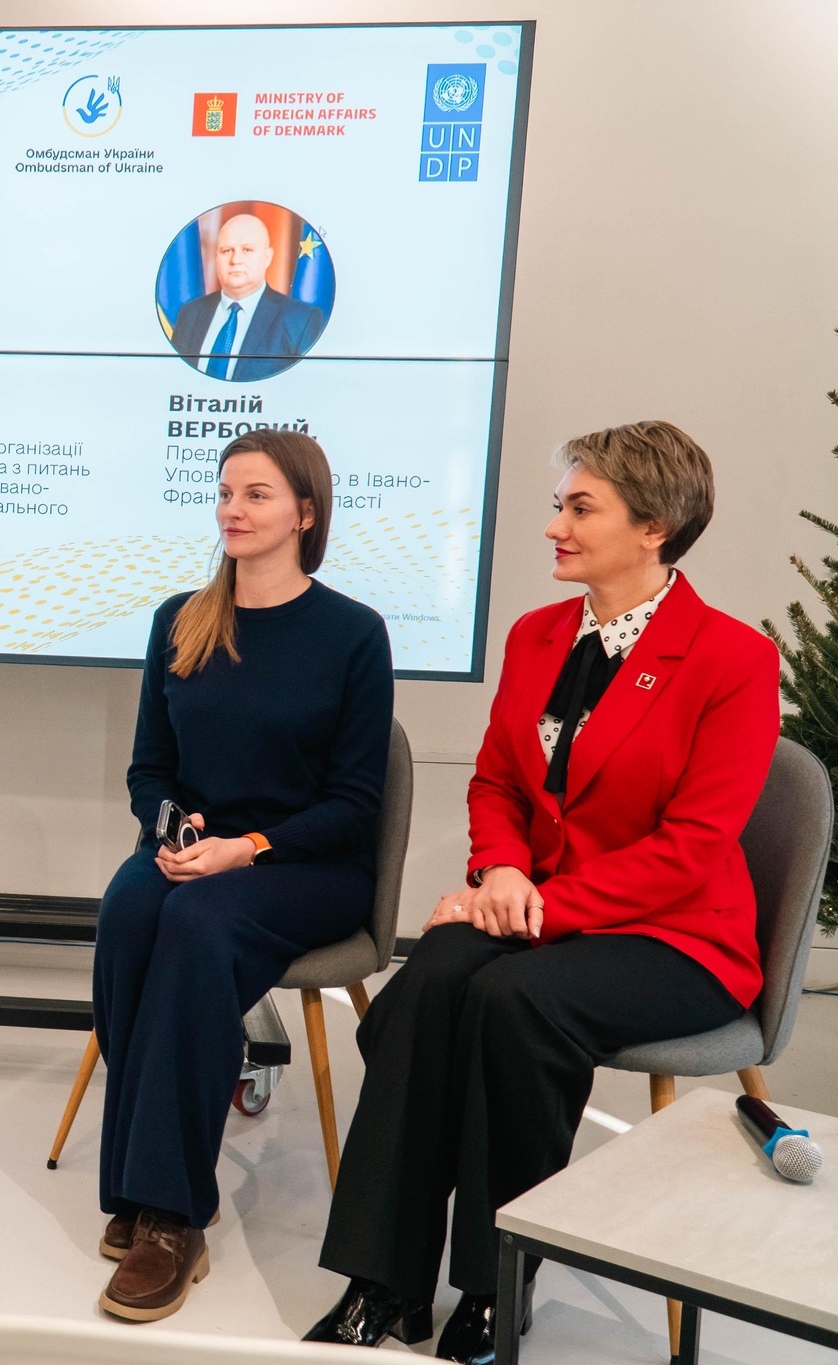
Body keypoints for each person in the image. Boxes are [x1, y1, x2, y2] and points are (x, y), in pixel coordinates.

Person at [306, 421, 777, 1362]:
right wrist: (502, 871)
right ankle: (382, 1279)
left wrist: (537, 907)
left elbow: (694, 847)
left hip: (678, 935)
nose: (554, 525)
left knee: (513, 1001)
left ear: (654, 526)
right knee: (429, 984)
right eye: (558, 504)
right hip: (536, 904)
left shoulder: (732, 659)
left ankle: (496, 1283)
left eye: (580, 507)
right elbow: (496, 783)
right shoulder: (537, 635)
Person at [93, 430, 393, 1322]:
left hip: (306, 863)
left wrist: (246, 846)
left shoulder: (353, 633)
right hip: (198, 847)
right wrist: (175, 828)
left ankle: (168, 1214)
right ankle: (146, 1181)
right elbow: (149, 769)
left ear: (305, 513)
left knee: (197, 924)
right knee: (127, 910)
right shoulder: (179, 619)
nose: (232, 508)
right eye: (225, 491)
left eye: (256, 494)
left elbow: (355, 806)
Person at [169, 213, 325, 382]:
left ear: (267, 257)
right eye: (226, 250)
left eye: (247, 250)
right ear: (216, 257)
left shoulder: (300, 320)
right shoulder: (190, 313)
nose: (235, 260)